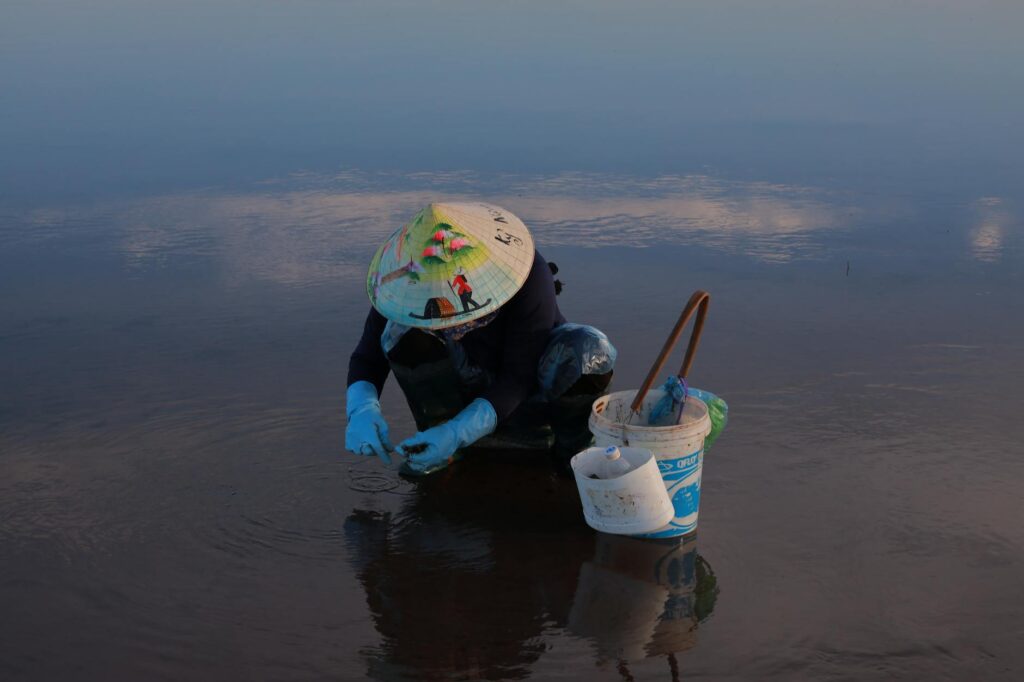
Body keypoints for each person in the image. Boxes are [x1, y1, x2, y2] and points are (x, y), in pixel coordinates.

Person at [345, 202, 616, 475]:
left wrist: (458, 432)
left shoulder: (528, 274)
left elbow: (517, 378)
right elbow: (368, 356)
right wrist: (361, 409)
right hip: (461, 383)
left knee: (588, 351)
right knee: (399, 332)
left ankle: (573, 455)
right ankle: (437, 441)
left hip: (529, 389)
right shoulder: (398, 289)